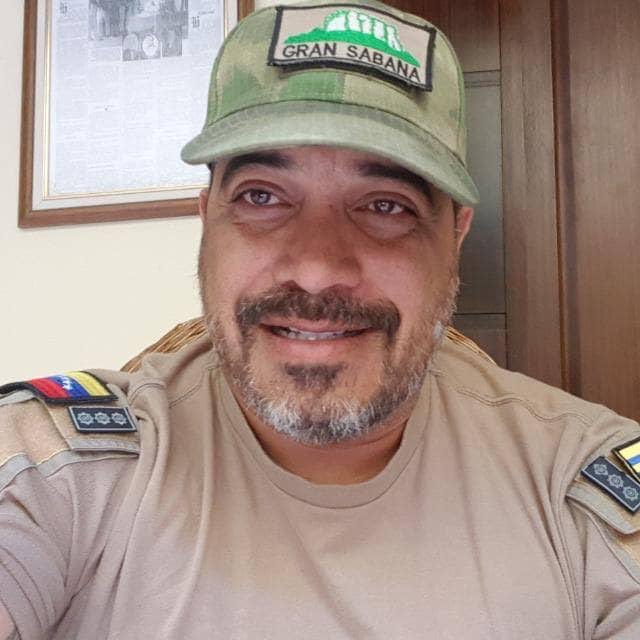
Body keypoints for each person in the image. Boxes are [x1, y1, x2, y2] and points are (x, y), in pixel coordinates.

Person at [2, 0, 640, 637]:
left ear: (456, 235)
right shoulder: (56, 467)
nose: (315, 269)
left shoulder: (580, 482)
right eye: (262, 196)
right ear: (206, 219)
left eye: (385, 205)